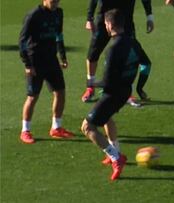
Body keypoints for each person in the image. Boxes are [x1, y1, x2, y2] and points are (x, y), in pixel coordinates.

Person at [81, 9, 150, 180]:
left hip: (113, 94)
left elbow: (107, 82)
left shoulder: (112, 49)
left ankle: (116, 157)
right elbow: (147, 65)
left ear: (110, 25)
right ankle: (115, 150)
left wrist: (91, 83)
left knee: (87, 127)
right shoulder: (134, 43)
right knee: (106, 117)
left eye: (105, 24)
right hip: (125, 92)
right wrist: (140, 88)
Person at [19, 0, 74, 144]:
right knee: (32, 97)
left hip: (51, 60)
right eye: (53, 0)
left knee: (60, 92)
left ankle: (56, 128)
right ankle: (25, 130)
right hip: (35, 62)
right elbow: (22, 41)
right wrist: (27, 64)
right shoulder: (33, 15)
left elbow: (59, 35)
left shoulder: (59, 13)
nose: (55, 2)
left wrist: (62, 55)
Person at [82, 0, 154, 106]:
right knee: (93, 53)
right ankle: (90, 88)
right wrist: (90, 17)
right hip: (105, 18)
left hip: (125, 19)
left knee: (129, 54)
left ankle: (127, 92)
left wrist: (149, 16)